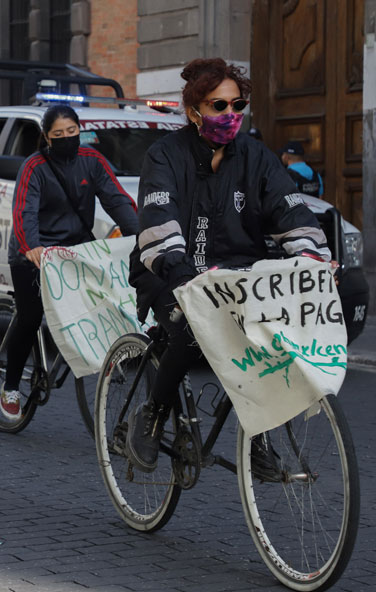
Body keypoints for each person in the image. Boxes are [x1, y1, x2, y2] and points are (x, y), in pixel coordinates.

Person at [126, 58, 331, 478]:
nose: (231, 115)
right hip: (170, 272)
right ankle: (151, 415)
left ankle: (260, 435)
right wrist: (176, 265)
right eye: (219, 106)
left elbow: (288, 208)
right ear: (194, 111)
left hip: (238, 276)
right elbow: (158, 211)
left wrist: (313, 257)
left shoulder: (256, 156)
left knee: (266, 339)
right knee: (190, 329)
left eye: (238, 105)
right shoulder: (165, 155)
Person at [2, 104, 139, 420]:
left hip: (75, 252)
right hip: (34, 255)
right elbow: (25, 212)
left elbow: (117, 199)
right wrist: (32, 248)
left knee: (102, 307)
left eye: (72, 132)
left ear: (81, 131)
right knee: (30, 317)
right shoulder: (34, 167)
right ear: (47, 138)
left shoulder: (92, 161)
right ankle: (10, 387)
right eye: (58, 135)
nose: (66, 138)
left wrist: (140, 235)